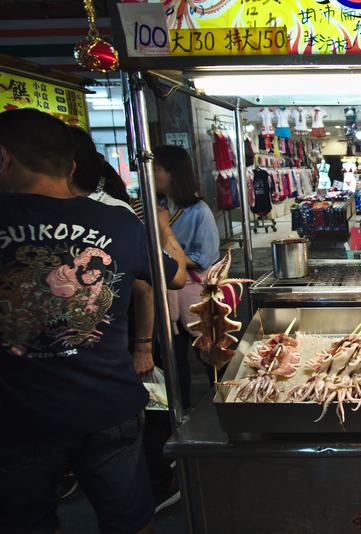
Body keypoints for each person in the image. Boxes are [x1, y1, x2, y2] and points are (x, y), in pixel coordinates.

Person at [0, 108, 187, 533]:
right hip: (107, 405)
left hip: (18, 414)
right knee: (130, 519)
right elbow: (174, 276)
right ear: (70, 166)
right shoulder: (117, 221)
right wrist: (163, 232)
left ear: (3, 159)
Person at [153, 144, 221, 409]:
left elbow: (205, 256)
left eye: (156, 168)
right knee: (173, 354)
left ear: (172, 173)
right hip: (166, 291)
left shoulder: (198, 211)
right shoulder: (157, 205)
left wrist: (168, 260)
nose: (151, 173)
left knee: (207, 349)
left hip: (193, 292)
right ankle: (179, 408)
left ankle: (223, 401)